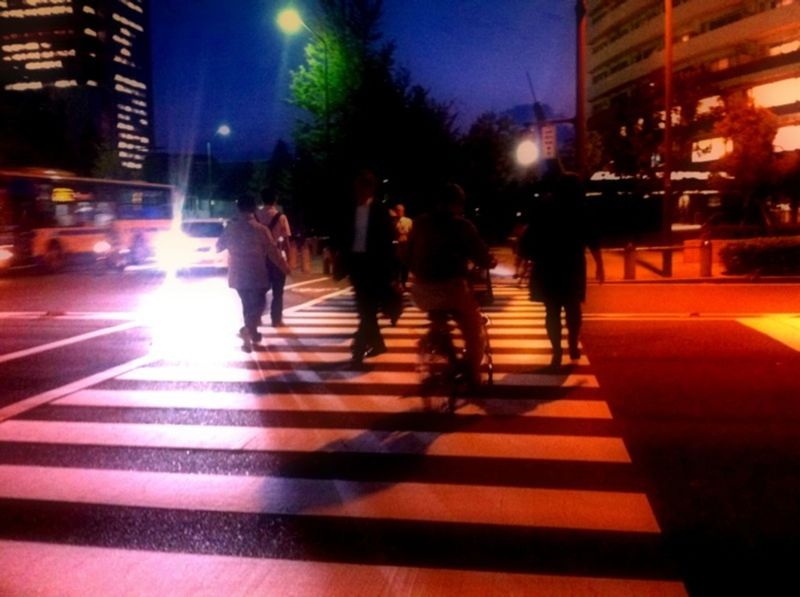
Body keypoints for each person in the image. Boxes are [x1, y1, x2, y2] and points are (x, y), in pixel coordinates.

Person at [407, 183, 495, 390]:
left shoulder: (420, 223)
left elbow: (407, 254)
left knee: (437, 315)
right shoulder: (463, 226)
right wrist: (490, 261)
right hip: (452, 289)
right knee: (474, 331)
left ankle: (435, 341)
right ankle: (472, 375)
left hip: (421, 290)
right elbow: (481, 255)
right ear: (457, 204)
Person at [520, 159, 605, 370]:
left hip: (547, 265)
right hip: (572, 265)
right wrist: (599, 264)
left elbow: (530, 235)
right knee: (573, 308)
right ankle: (573, 345)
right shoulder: (580, 209)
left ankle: (556, 351)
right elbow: (592, 238)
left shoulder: (544, 206)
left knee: (552, 311)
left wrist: (524, 261)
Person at [332, 169, 398, 363]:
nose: (358, 192)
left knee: (366, 309)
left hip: (375, 265)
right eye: (357, 188)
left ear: (370, 189)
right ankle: (377, 344)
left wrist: (391, 272)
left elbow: (387, 242)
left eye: (362, 188)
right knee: (365, 308)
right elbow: (344, 236)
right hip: (356, 265)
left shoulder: (379, 211)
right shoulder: (350, 210)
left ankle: (359, 347)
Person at [217, 196, 290, 352]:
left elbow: (218, 246)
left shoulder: (231, 228)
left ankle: (252, 332)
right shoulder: (260, 229)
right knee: (259, 304)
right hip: (257, 272)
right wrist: (284, 266)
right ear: (254, 209)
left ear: (238, 209)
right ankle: (248, 329)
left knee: (247, 304)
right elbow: (273, 251)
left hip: (237, 273)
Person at [256, 188, 291, 327]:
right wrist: (287, 260)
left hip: (259, 259)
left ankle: (257, 317)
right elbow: (287, 241)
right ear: (275, 200)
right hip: (276, 258)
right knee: (278, 291)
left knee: (259, 290)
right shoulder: (281, 217)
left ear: (262, 199)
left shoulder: (256, 216)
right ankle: (276, 319)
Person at [393, 203, 413, 288]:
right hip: (396, 246)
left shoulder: (408, 221)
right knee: (396, 264)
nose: (398, 212)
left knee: (405, 264)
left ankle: (403, 281)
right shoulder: (393, 221)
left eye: (400, 210)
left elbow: (412, 233)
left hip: (405, 246)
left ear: (403, 211)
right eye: (397, 210)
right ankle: (397, 281)